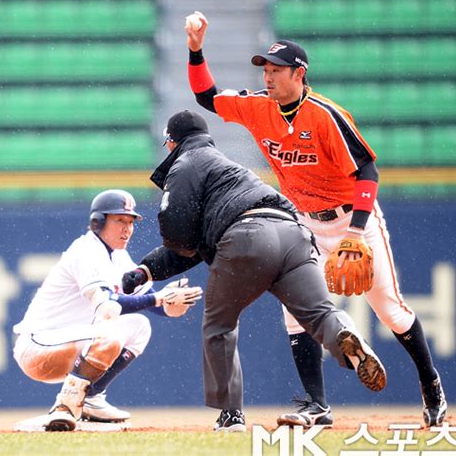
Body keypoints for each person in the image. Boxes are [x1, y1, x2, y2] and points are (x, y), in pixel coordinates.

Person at [183, 12, 447, 428]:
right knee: (296, 311)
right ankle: (317, 405)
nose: (268, 77)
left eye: (276, 70)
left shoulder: (325, 115)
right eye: (265, 70)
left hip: (352, 221)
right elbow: (207, 97)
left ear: (299, 74)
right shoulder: (258, 107)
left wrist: (356, 233)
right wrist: (195, 49)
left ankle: (431, 386)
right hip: (303, 223)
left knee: (390, 310)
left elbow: (367, 172)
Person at [122, 109, 387, 433]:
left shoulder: (186, 162)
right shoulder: (227, 167)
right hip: (294, 232)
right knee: (317, 314)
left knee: (220, 323)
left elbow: (179, 235)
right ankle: (343, 333)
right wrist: (147, 271)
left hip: (246, 235)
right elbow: (195, 241)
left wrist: (160, 259)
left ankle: (230, 414)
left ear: (173, 142)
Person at [13, 189, 202, 431]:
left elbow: (143, 299)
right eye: (120, 220)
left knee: (139, 327)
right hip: (38, 346)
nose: (127, 228)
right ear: (98, 222)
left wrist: (170, 303)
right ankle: (64, 407)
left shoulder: (119, 256)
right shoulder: (85, 250)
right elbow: (107, 307)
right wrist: (158, 298)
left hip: (73, 343)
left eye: (131, 222)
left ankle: (90, 397)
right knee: (109, 333)